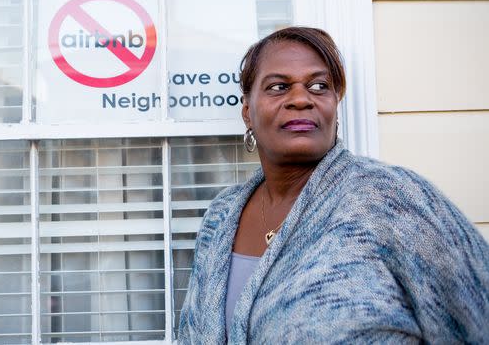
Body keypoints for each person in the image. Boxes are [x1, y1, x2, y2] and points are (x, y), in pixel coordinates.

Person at [177, 26, 489, 343]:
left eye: (318, 86)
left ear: (334, 105)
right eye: (278, 87)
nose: (300, 99)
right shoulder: (221, 216)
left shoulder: (392, 201)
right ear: (247, 111)